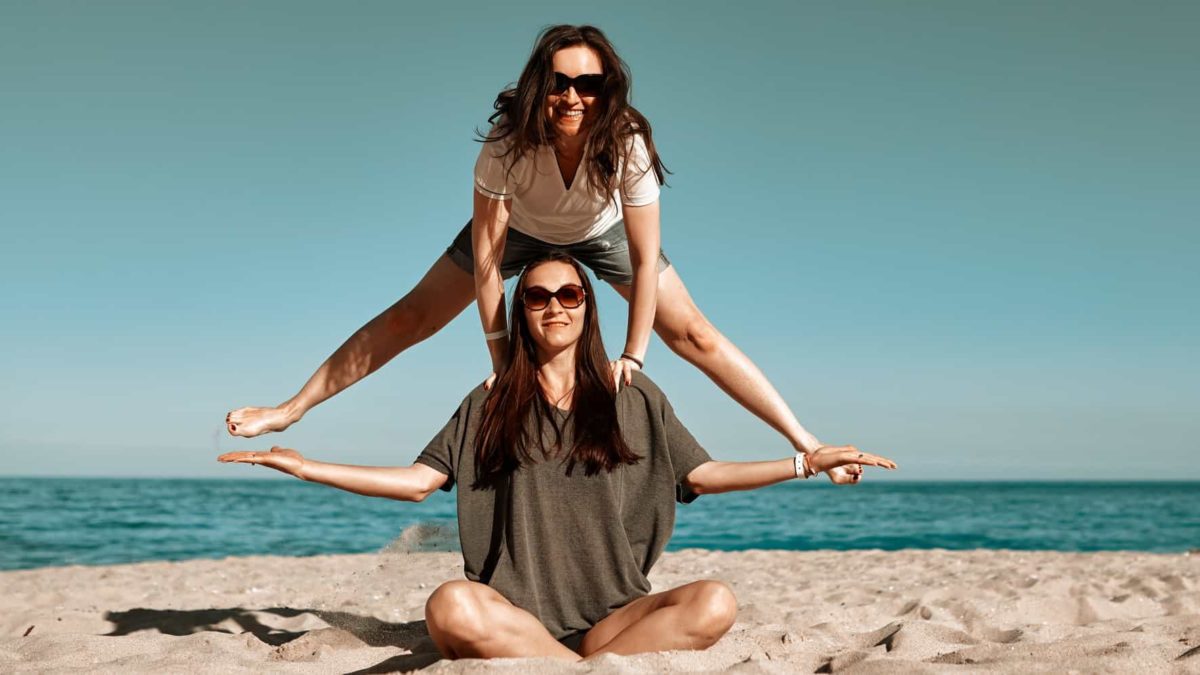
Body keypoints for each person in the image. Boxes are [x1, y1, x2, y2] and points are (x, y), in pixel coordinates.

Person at [225, 24, 862, 484]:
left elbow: (644, 260)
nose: (574, 96)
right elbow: (486, 259)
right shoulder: (506, 144)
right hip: (518, 231)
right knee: (410, 317)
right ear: (541, 84)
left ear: (607, 88)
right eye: (561, 82)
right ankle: (291, 408)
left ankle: (805, 438)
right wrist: (503, 360)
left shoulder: (629, 141)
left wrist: (633, 356)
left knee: (693, 333)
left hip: (602, 235)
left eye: (590, 83)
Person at [219, 254, 897, 660]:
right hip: (514, 616)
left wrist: (804, 459)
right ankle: (566, 667)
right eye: (537, 296)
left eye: (569, 294)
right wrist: (307, 465)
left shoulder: (632, 395)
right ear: (521, 314)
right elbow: (417, 483)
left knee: (715, 600)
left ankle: (560, 666)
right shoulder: (488, 402)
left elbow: (699, 475)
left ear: (587, 308)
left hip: (612, 620)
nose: (553, 306)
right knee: (450, 605)